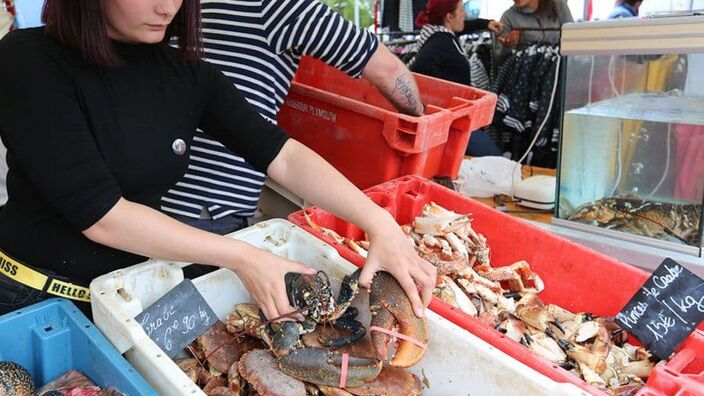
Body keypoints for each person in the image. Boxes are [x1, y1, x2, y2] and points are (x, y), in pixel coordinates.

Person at [0, 0, 436, 321]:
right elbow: (100, 214)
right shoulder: (27, 58)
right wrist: (243, 257)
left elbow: (281, 155)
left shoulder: (186, 73)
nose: (168, 5)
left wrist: (379, 223)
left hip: (123, 293)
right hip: (30, 292)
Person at [161, 0, 424, 237]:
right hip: (208, 206)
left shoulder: (194, 5)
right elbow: (387, 69)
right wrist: (421, 116)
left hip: (162, 189)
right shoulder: (277, 6)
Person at [409, 0, 502, 157]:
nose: (464, 14)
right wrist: (445, 99)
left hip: (457, 120)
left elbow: (464, 26)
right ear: (449, 17)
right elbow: (420, 67)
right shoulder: (440, 42)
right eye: (461, 10)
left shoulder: (442, 34)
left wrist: (487, 24)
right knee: (494, 159)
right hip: (453, 123)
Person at [497, 0, 574, 48]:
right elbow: (499, 61)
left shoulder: (558, 5)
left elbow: (573, 40)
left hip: (560, 68)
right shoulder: (508, 17)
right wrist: (509, 46)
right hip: (526, 71)